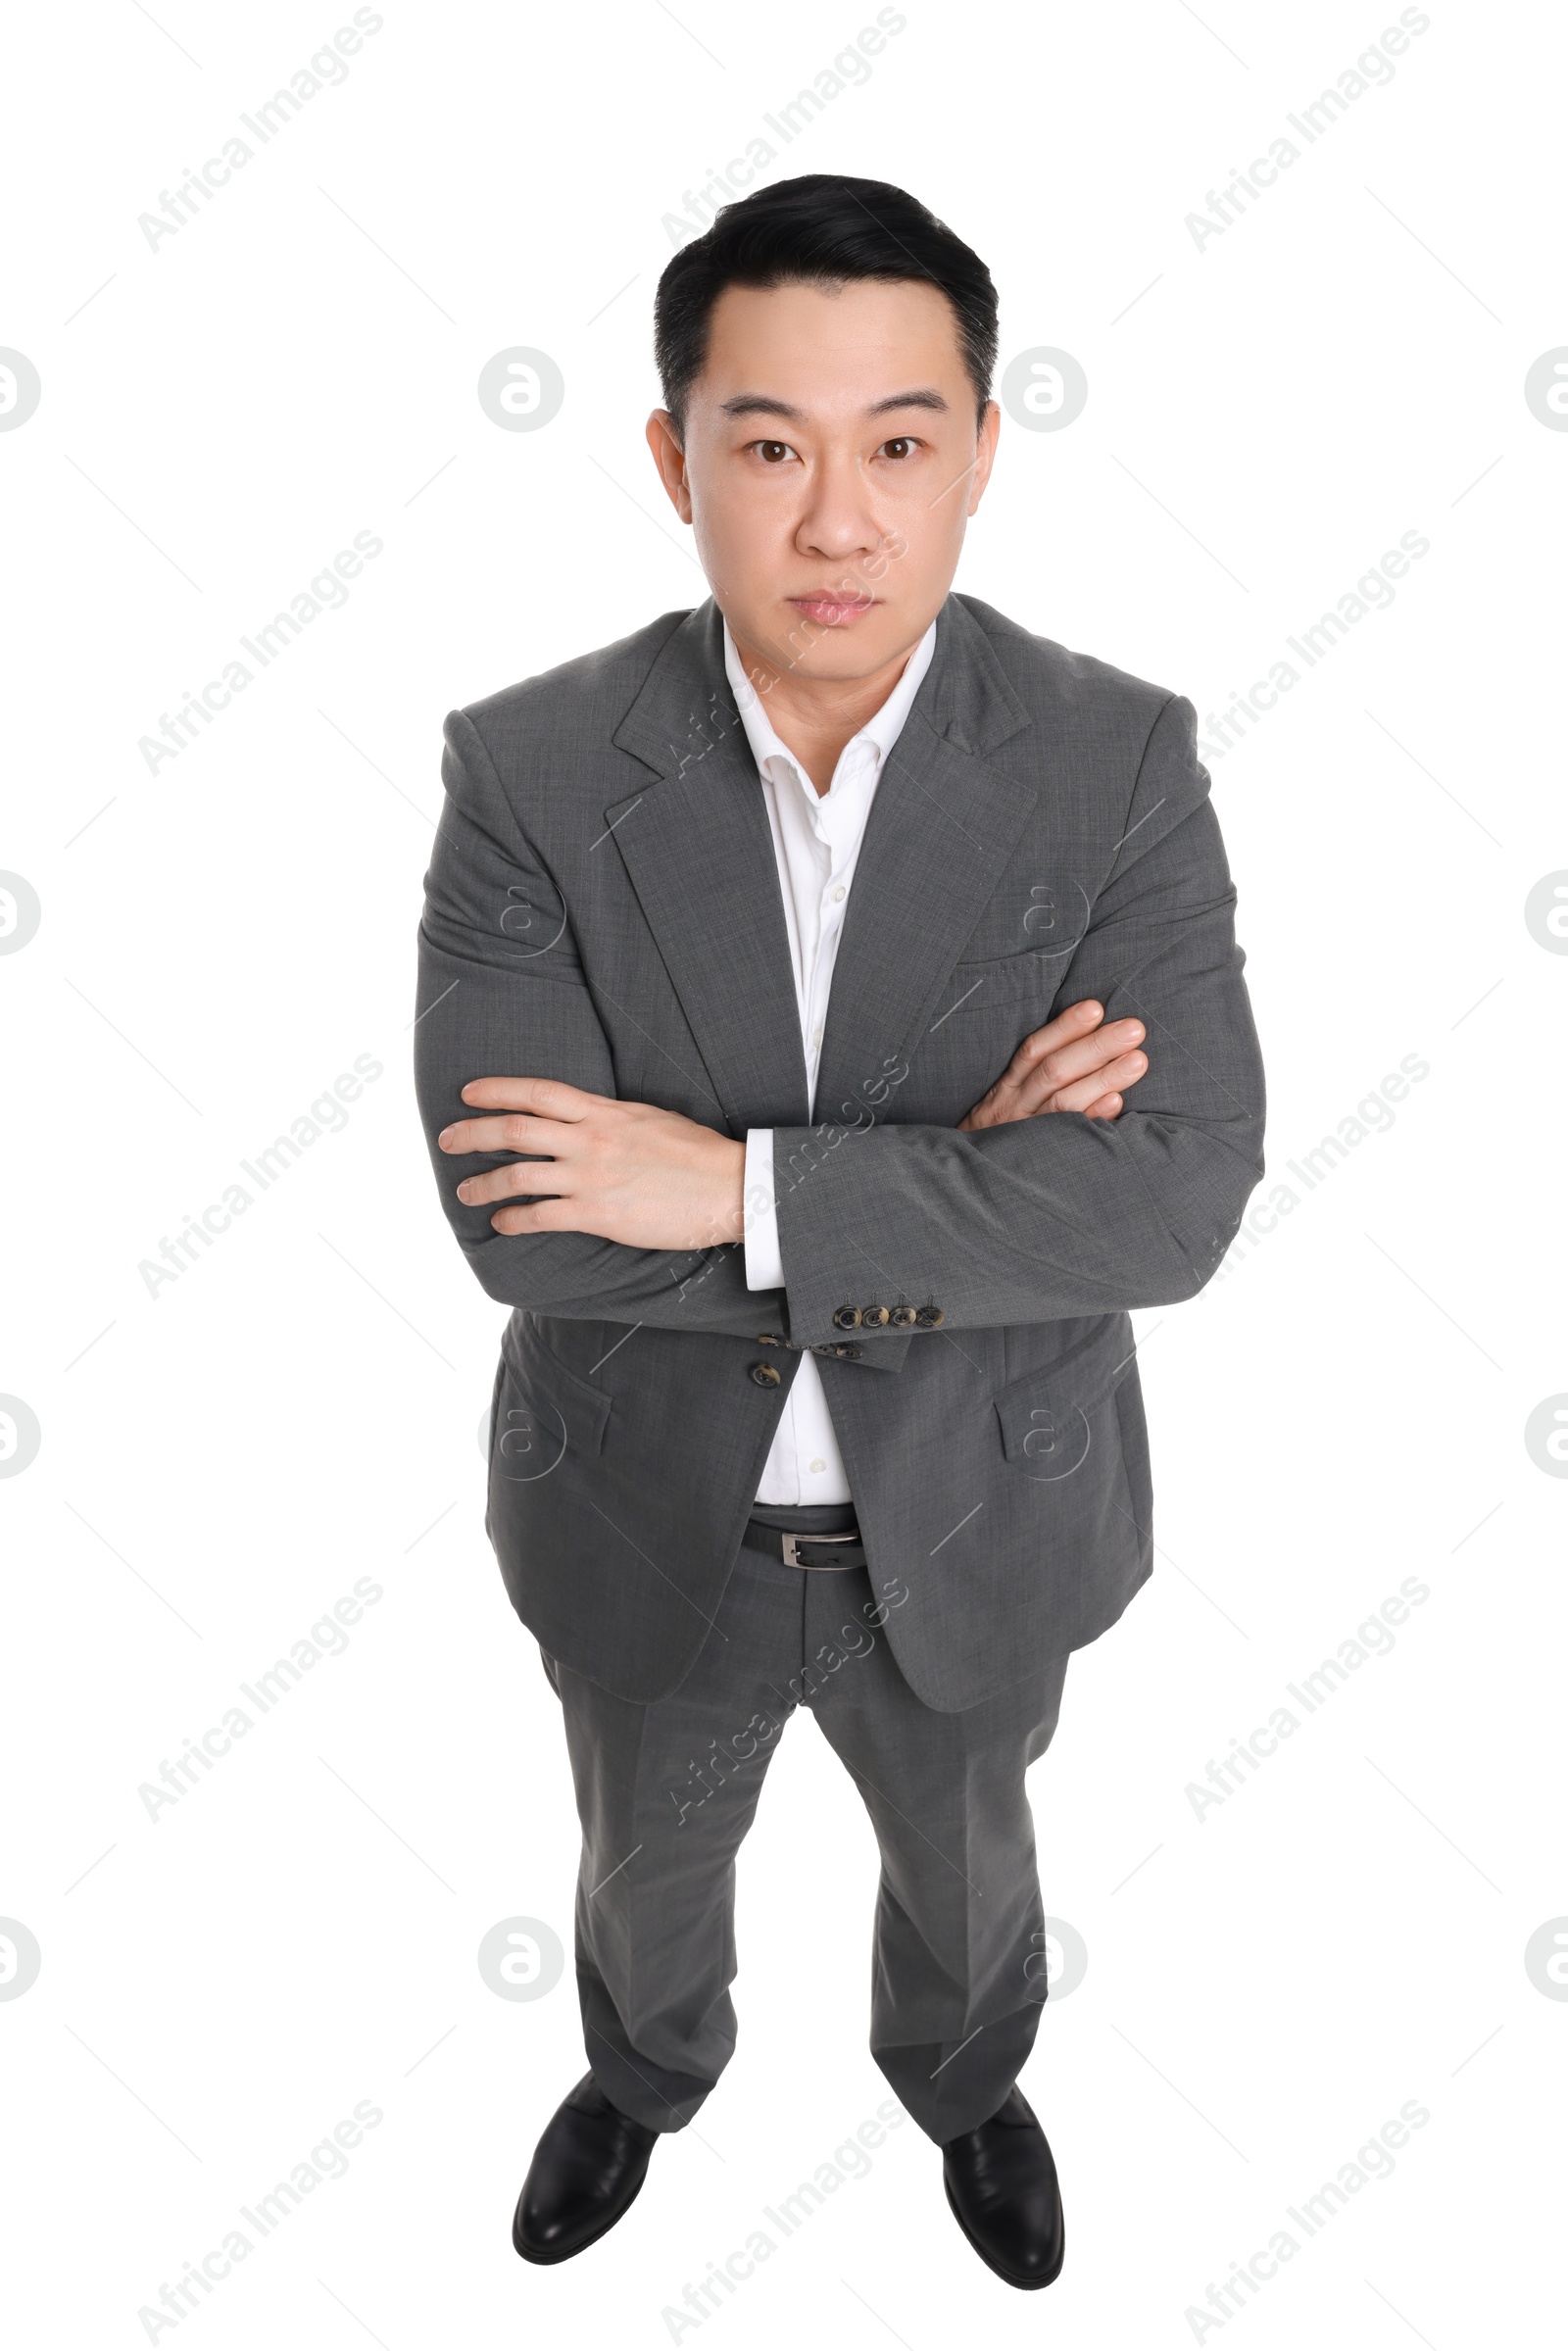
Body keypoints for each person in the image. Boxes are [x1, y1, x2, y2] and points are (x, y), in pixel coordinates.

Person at [415, 172, 1264, 2290]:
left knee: (973, 1878)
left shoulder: (1113, 762)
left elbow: (1170, 1197)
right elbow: (522, 1227)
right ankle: (643, 2074)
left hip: (984, 1499)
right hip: (645, 1511)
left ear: (979, 453)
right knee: (642, 1868)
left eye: (898, 443)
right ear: (669, 460)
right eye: (765, 444)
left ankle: (964, 2089)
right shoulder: (528, 772)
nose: (833, 519)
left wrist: (729, 1181)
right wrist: (969, 1167)